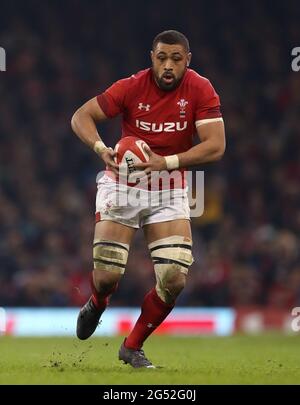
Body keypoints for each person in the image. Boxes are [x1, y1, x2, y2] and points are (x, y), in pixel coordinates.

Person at [71, 30, 225, 368]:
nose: (168, 65)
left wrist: (165, 162)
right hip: (122, 184)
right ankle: (98, 301)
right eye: (161, 58)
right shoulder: (131, 86)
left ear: (188, 60)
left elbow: (215, 145)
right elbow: (81, 116)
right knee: (107, 277)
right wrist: (101, 149)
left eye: (176, 59)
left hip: (169, 185)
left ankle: (132, 345)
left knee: (174, 278)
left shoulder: (201, 88)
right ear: (151, 57)